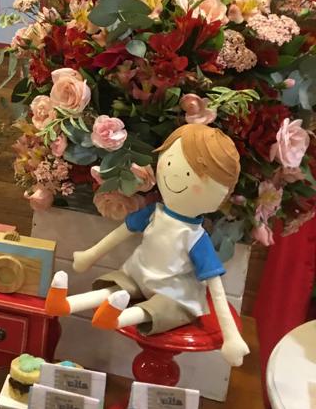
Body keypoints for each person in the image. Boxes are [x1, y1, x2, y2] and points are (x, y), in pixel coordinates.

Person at [45, 123, 250, 368]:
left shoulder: (195, 237)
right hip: (138, 274)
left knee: (163, 308)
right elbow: (123, 231)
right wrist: (91, 255)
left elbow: (215, 286)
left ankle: (117, 318)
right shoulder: (155, 212)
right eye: (169, 163)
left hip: (173, 292)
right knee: (118, 285)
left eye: (189, 175)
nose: (174, 175)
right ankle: (66, 304)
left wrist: (231, 335)